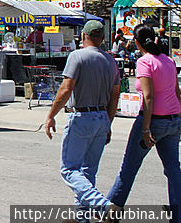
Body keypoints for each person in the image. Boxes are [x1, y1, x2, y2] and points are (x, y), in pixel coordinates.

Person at [44, 20, 120, 220]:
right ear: (102, 39)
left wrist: (51, 115)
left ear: (84, 36)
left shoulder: (77, 56)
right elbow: (115, 96)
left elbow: (66, 89)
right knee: (87, 173)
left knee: (69, 169)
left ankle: (102, 206)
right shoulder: (111, 61)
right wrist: (108, 123)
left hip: (81, 116)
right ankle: (81, 218)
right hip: (102, 116)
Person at [108, 24, 181, 220]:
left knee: (129, 167)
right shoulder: (168, 61)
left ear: (137, 43)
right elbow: (177, 93)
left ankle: (111, 210)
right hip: (173, 120)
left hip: (153, 120)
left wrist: (146, 129)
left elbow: (148, 97)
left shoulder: (145, 62)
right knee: (173, 169)